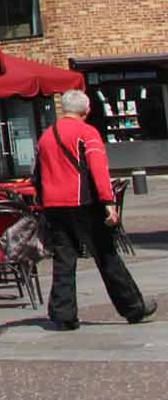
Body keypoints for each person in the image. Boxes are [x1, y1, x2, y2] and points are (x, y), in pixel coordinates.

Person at [36, 90, 154, 329]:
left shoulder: (45, 137)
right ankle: (133, 307)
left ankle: (64, 315)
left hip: (53, 205)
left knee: (63, 259)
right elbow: (99, 170)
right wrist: (109, 203)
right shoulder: (87, 133)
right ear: (86, 111)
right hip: (84, 203)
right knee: (106, 255)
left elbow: (37, 176)